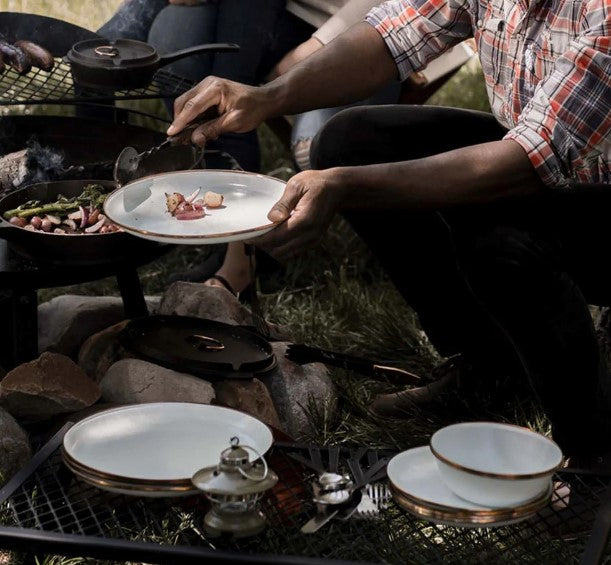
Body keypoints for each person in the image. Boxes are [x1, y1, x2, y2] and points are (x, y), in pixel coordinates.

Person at [166, 0, 611, 466]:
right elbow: (389, 37)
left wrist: (345, 187)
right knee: (351, 141)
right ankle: (490, 363)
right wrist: (266, 97)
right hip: (539, 159)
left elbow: (528, 160)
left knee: (501, 242)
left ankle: (593, 451)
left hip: (588, 190)